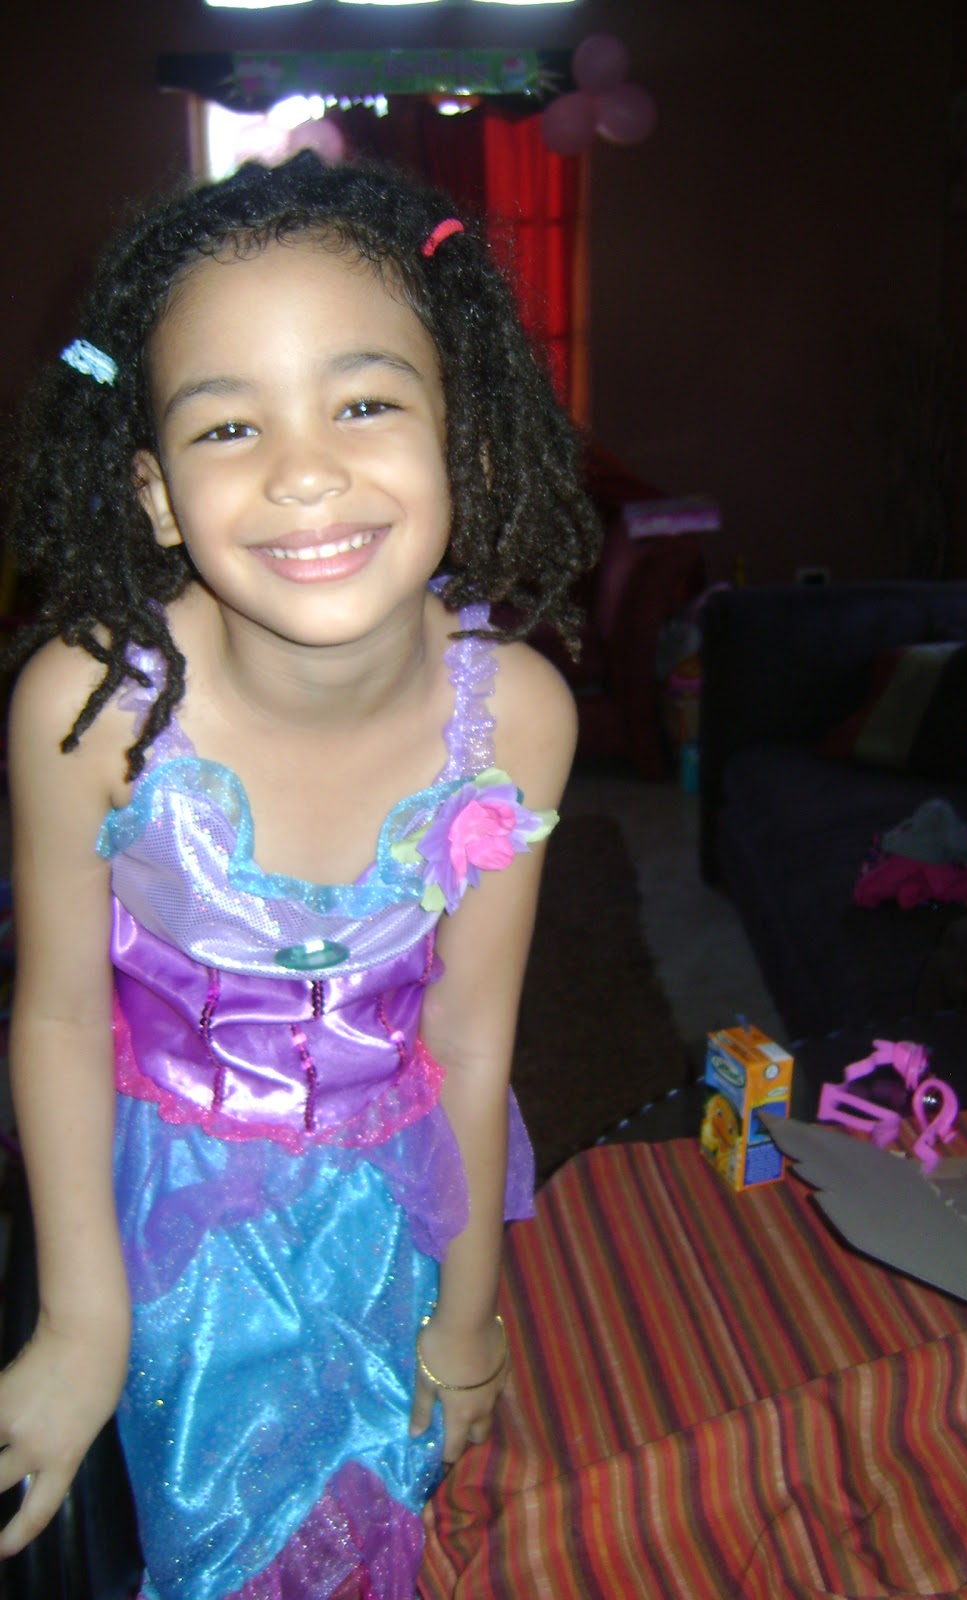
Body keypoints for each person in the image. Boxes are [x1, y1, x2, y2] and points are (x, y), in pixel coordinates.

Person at [0, 151, 601, 1600]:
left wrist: (470, 1311)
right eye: (228, 425)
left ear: (466, 440)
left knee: (377, 1517)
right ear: (156, 495)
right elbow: (62, 1014)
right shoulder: (89, 709)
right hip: (154, 1223)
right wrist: (83, 1323)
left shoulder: (519, 717)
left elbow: (471, 1037)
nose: (303, 469)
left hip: (394, 1211)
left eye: (365, 401)